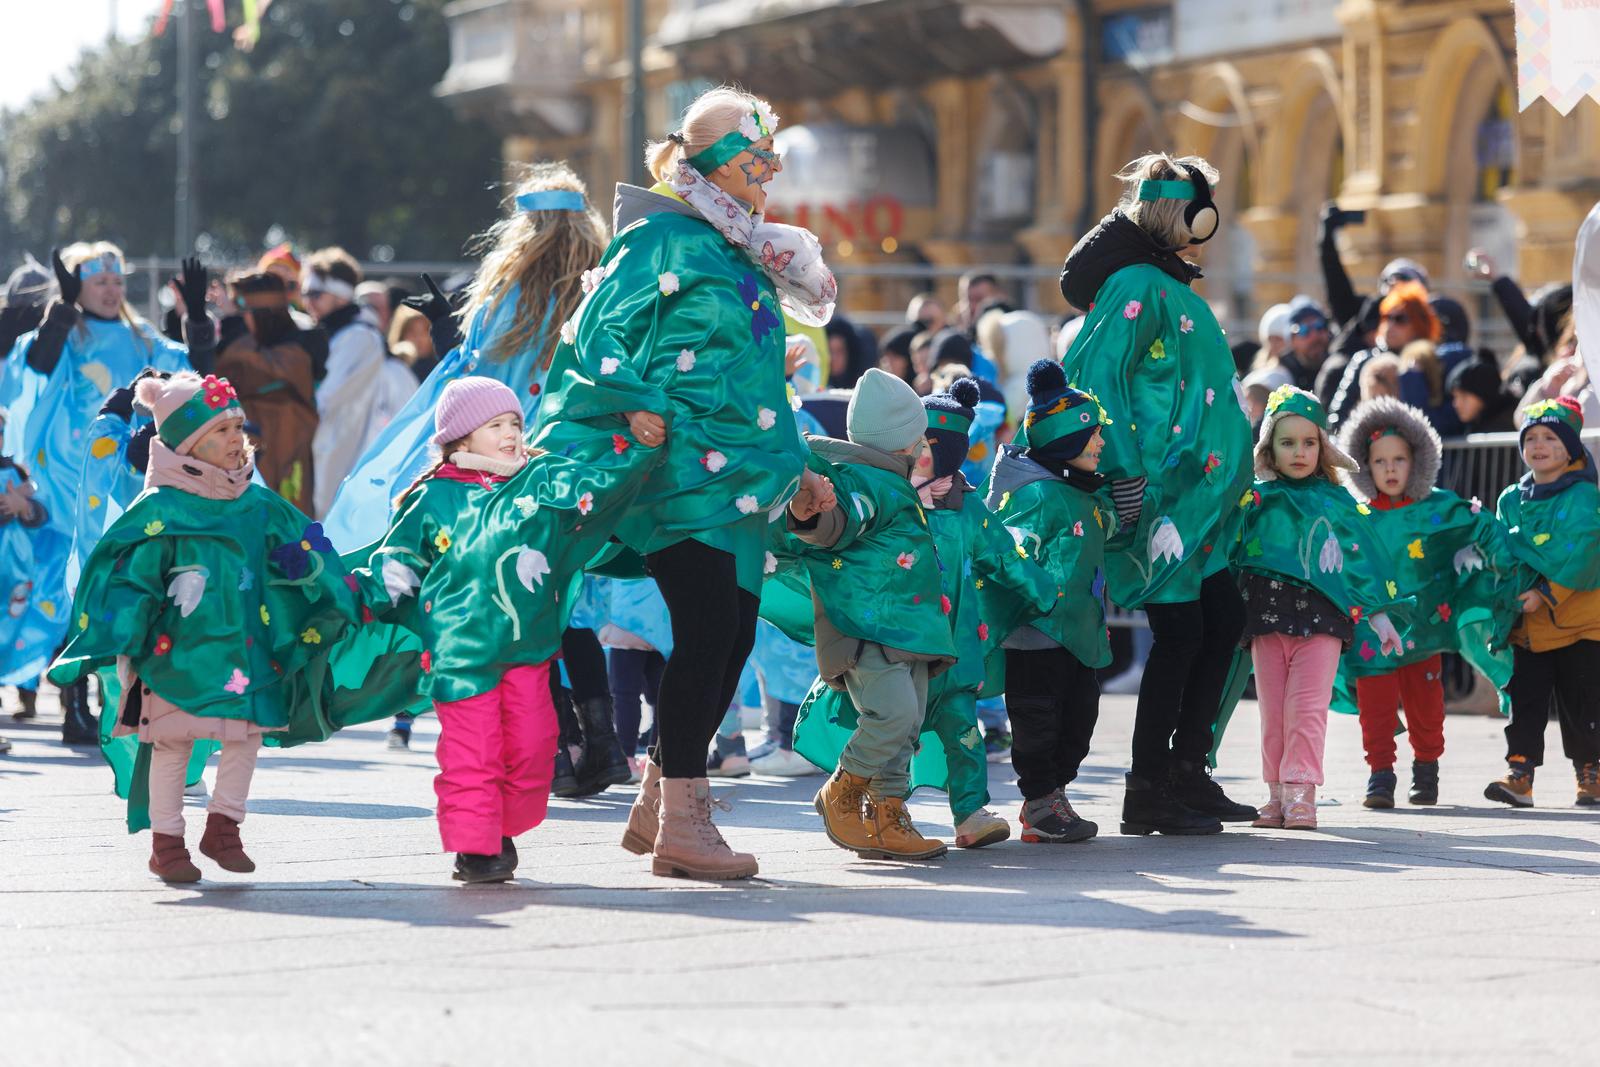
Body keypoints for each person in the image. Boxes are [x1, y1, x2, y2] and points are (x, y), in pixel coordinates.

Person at [538, 86, 837, 879]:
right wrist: (633, 403)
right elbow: (590, 341)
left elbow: (754, 379)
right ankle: (683, 820)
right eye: (754, 161)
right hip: (681, 480)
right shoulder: (660, 239)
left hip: (744, 483)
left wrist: (799, 463)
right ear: (707, 164)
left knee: (731, 636)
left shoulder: (734, 248)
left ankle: (660, 806)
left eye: (771, 161)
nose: (768, 176)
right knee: (708, 632)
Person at [47, 373, 363, 882]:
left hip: (245, 648)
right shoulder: (159, 510)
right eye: (220, 430)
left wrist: (337, 588)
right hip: (175, 653)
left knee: (246, 736)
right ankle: (167, 842)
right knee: (173, 742)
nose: (236, 437)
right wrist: (122, 633)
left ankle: (225, 825)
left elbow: (303, 550)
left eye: (238, 426)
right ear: (186, 442)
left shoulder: (257, 505)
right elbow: (132, 577)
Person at [1054, 151, 1255, 833]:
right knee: (1183, 632)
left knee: (1223, 622)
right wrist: (1127, 471)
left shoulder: (1171, 283)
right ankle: (1148, 789)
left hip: (1200, 504)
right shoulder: (1137, 283)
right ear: (1186, 212)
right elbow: (1095, 373)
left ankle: (1188, 770)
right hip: (1163, 499)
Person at [347, 377, 581, 883]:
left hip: (526, 647)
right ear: (460, 439)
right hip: (459, 654)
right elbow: (398, 562)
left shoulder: (536, 486)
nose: (510, 433)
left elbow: (588, 506)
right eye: (495, 425)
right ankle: (477, 846)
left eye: (515, 423)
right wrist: (356, 598)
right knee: (473, 751)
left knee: (535, 745)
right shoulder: (432, 497)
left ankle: (502, 826)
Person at [3, 244, 200, 745]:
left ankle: (110, 699)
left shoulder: (143, 340)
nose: (112, 291)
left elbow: (194, 377)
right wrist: (62, 313)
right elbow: (33, 372)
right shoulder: (65, 337)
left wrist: (197, 320)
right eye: (100, 283)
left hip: (122, 484)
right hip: (64, 481)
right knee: (70, 586)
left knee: (116, 585)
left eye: (117, 282)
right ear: (79, 287)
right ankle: (75, 699)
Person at [781, 369, 957, 860]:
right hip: (868, 629)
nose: (924, 441)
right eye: (918, 432)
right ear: (903, 440)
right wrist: (812, 511)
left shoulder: (893, 483)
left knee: (907, 722)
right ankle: (842, 791)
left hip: (905, 628)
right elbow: (838, 519)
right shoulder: (866, 480)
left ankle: (887, 814)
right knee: (893, 715)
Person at [1336, 396, 1525, 808]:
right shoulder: (1354, 515)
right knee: (1376, 704)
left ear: (1417, 460)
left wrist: (1507, 572)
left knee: (1425, 706)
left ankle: (1426, 769)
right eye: (1379, 460)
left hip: (1424, 627)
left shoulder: (1436, 508)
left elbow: (1483, 526)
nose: (1389, 469)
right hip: (1371, 629)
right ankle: (1380, 774)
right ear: (1364, 464)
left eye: (1399, 459)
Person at [1236, 387, 1405, 830]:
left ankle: (1301, 793)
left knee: (1307, 708)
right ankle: (1275, 792)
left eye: (1309, 442)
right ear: (1268, 446)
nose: (1299, 452)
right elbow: (1229, 547)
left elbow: (1361, 557)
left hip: (1323, 621)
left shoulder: (1338, 501)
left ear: (1323, 446)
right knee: (1273, 711)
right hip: (1267, 619)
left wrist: (1380, 615)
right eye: (1287, 442)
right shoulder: (1254, 499)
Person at [985, 362, 1120, 841]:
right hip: (1034, 631)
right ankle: (1041, 801)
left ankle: (1052, 795)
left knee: (1081, 712)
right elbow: (1007, 548)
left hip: (1076, 629)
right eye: (1094, 436)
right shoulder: (1036, 493)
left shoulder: (1078, 488)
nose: (1102, 444)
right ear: (1065, 441)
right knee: (1037, 717)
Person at [1485, 398, 1600, 808]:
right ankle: (1520, 774)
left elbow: (1583, 552)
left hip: (1580, 624)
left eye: (1550, 437)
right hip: (1529, 626)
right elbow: (1501, 550)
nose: (1539, 445)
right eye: (1530, 437)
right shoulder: (1511, 498)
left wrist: (1546, 592)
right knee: (1526, 703)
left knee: (1582, 704)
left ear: (1570, 447)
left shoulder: (1585, 497)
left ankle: (1591, 773)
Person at [301, 247, 417, 518]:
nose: (308, 303)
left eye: (315, 294)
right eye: (305, 294)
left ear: (340, 295)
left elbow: (327, 399)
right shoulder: (331, 333)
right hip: (327, 447)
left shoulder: (359, 338)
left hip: (342, 453)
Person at [207, 272, 324, 514]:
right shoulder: (248, 347)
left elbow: (262, 366)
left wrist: (233, 324)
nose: (241, 319)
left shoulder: (298, 351)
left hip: (286, 470)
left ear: (263, 316)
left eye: (244, 311)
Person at [1328, 281, 1438, 432]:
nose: (1390, 325)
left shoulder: (1430, 361)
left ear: (1419, 325)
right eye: (1386, 317)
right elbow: (1337, 417)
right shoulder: (1363, 360)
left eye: (1400, 319)